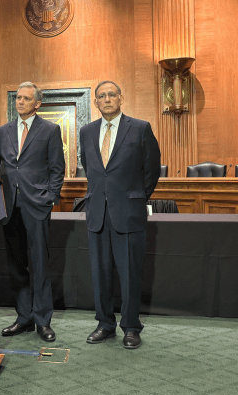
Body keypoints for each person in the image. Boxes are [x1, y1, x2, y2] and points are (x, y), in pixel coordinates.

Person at [79, 80, 161, 349]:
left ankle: (131, 327)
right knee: (100, 274)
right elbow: (90, 167)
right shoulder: (87, 131)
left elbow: (151, 170)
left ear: (120, 98)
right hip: (97, 214)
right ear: (96, 103)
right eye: (101, 96)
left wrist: (136, 196)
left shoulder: (140, 128)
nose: (106, 99)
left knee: (129, 274)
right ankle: (104, 324)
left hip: (128, 212)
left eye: (111, 95)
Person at [0, 82, 65, 342]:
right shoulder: (3, 131)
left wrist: (49, 198)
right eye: (18, 98)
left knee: (40, 265)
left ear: (37, 103)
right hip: (9, 205)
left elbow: (58, 168)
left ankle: (43, 321)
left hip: (37, 205)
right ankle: (23, 318)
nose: (20, 102)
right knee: (16, 265)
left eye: (26, 98)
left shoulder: (50, 130)